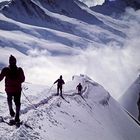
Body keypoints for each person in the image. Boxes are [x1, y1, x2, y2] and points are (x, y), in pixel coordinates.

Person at [0, 55, 25, 123]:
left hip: (9, 89)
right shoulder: (19, 70)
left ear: (9, 62)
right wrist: (18, 81)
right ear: (15, 62)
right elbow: (23, 79)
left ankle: (11, 110)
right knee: (17, 103)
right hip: (17, 89)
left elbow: (0, 78)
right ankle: (17, 117)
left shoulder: (5, 70)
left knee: (9, 99)